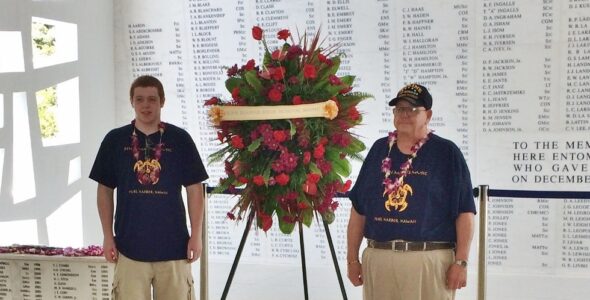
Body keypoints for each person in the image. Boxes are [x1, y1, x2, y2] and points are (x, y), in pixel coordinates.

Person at [346, 83, 476, 300]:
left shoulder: (446, 153)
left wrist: (461, 262)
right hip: (379, 259)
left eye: (412, 109)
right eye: (399, 109)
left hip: (428, 261)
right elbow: (358, 210)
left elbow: (465, 212)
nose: (404, 115)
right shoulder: (379, 149)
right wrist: (352, 260)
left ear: (429, 115)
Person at [90, 75, 209, 299]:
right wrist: (107, 236)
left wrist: (196, 235)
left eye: (152, 99)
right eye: (140, 99)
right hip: (129, 249)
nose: (146, 105)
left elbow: (195, 190)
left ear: (162, 102)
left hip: (174, 248)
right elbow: (104, 190)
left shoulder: (180, 139)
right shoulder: (114, 140)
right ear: (132, 102)